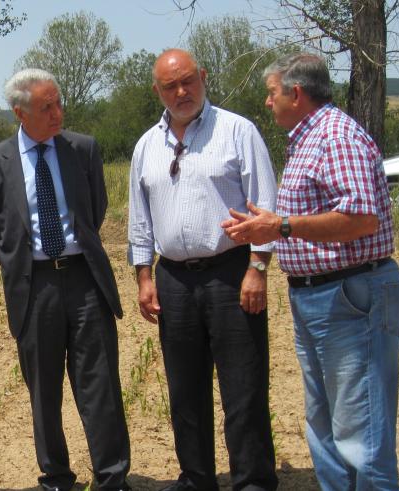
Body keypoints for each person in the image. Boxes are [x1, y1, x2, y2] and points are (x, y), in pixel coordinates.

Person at [222, 52, 399, 491]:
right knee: (324, 427)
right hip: (320, 298)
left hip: (350, 295)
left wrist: (280, 225)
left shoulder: (335, 136)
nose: (268, 103)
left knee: (362, 431)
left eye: (271, 93)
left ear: (295, 93)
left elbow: (361, 217)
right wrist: (272, 223)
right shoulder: (307, 139)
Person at [0, 68, 131, 491]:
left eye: (59, 102)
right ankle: (57, 477)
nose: (58, 113)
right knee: (44, 389)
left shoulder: (83, 149)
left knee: (100, 383)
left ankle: (112, 475)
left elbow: (94, 213)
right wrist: (25, 264)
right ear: (19, 112)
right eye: (47, 107)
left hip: (84, 280)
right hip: (34, 286)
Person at [127, 48, 278, 491]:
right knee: (185, 391)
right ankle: (196, 478)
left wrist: (257, 268)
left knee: (243, 387)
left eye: (188, 80)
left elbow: (263, 204)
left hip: (231, 273)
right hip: (173, 278)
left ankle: (252, 481)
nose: (181, 91)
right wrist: (144, 276)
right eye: (170, 85)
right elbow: (140, 219)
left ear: (203, 77)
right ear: (157, 91)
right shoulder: (146, 146)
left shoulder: (237, 131)